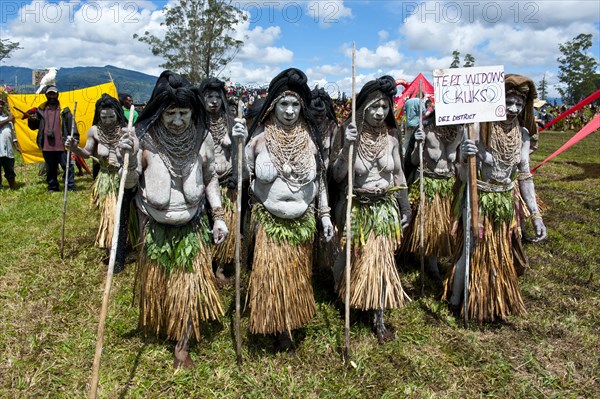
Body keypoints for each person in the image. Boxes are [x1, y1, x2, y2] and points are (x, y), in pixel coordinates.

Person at [118, 71, 238, 368]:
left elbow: (210, 178)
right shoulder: (145, 140)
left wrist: (219, 217)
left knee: (186, 288)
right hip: (157, 230)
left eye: (184, 112)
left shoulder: (202, 139)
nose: (178, 120)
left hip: (191, 230)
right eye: (171, 113)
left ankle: (182, 344)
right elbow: (131, 184)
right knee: (161, 287)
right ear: (160, 111)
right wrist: (130, 158)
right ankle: (165, 323)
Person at [443, 74, 547, 322]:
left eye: (518, 104)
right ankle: (456, 300)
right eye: (509, 102)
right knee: (470, 251)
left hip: (504, 204)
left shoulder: (522, 134)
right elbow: (463, 175)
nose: (513, 109)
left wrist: (536, 215)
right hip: (479, 199)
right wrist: (466, 155)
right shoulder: (479, 128)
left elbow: (524, 175)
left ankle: (489, 301)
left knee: (500, 255)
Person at [244, 68, 334, 351]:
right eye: (284, 103)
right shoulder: (258, 140)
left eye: (295, 104)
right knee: (271, 278)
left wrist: (325, 214)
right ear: (273, 105)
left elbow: (320, 180)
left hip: (301, 223)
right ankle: (273, 322)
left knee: (295, 277)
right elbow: (242, 177)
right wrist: (238, 145)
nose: (290, 110)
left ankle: (289, 321)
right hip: (270, 224)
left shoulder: (311, 140)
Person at [330, 75, 412, 343]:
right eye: (374, 107)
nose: (379, 113)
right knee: (350, 258)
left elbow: (398, 177)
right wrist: (346, 148)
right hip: (356, 208)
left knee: (380, 262)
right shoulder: (346, 134)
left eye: (385, 107)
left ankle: (378, 316)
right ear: (362, 107)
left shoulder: (391, 141)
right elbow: (337, 176)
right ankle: (348, 298)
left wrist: (405, 207)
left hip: (383, 209)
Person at [65, 94, 132, 273]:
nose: (108, 121)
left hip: (123, 178)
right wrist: (73, 148)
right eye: (104, 117)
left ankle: (125, 245)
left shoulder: (126, 129)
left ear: (118, 113)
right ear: (98, 115)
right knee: (110, 214)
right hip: (105, 178)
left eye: (111, 116)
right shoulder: (94, 131)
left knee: (125, 214)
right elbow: (87, 153)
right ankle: (114, 249)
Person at [401, 110, 461, 280]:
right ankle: (428, 262)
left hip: (447, 186)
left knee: (442, 226)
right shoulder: (425, 129)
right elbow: (412, 161)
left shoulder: (459, 130)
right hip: (427, 184)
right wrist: (418, 144)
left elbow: (459, 162)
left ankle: (433, 259)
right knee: (428, 225)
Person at [198, 77, 242, 286]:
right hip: (202, 186)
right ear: (202, 99)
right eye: (209, 97)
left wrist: (239, 137)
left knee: (227, 225)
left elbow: (242, 150)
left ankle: (221, 266)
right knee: (205, 225)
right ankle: (207, 265)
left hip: (226, 186)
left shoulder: (231, 122)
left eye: (217, 96)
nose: (214, 101)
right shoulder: (195, 122)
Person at [27, 85, 77, 192]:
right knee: (50, 168)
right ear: (46, 95)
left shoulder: (65, 110)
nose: (52, 96)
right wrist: (31, 120)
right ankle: (53, 187)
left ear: (57, 95)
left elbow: (72, 125)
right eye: (49, 94)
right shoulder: (40, 110)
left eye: (53, 94)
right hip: (47, 146)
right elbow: (33, 126)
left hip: (63, 145)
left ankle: (70, 186)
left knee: (67, 166)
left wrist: (75, 139)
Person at [0, 99, 19, 189]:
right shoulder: (8, 119)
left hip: (8, 150)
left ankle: (12, 186)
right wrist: (8, 119)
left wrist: (16, 146)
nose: (0, 106)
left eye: (1, 104)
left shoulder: (7, 117)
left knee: (10, 169)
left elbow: (13, 134)